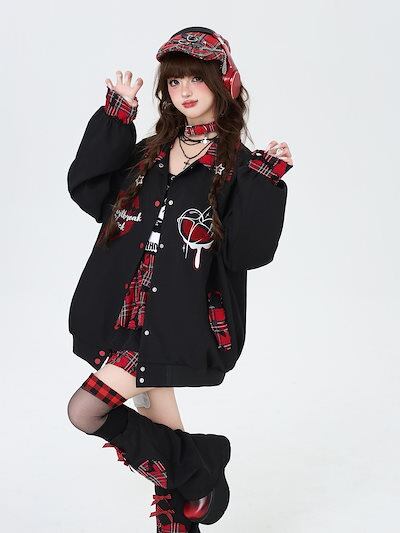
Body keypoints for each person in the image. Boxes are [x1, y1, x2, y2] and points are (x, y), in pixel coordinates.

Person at [66, 26, 294, 532]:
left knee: (85, 411)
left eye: (196, 78)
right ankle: (184, 501)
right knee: (159, 423)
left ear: (224, 83)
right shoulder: (149, 152)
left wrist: (265, 183)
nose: (184, 91)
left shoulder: (239, 167)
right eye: (173, 82)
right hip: (126, 313)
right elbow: (89, 189)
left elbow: (248, 252)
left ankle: (199, 467)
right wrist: (116, 118)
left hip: (177, 318)